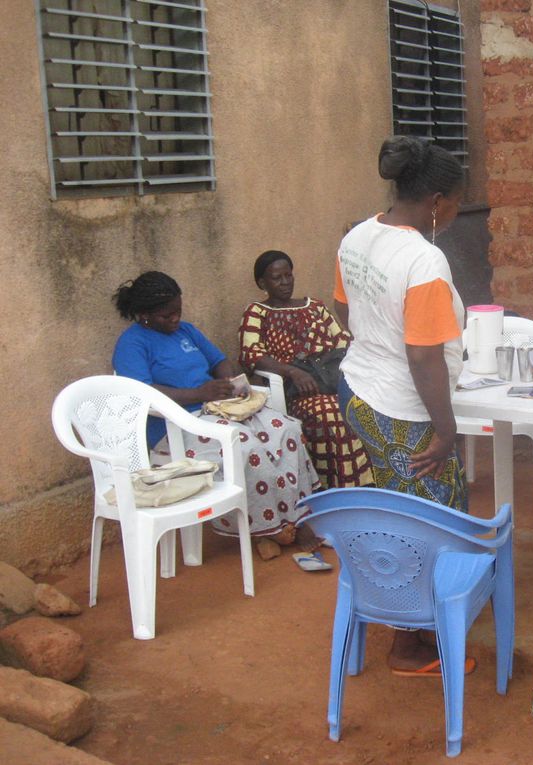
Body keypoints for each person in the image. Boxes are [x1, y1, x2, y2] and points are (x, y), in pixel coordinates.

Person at [333, 135, 469, 675]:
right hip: (403, 409)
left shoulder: (358, 237)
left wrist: (379, 341)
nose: (457, 210)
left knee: (409, 505)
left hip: (359, 391)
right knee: (430, 522)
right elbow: (423, 356)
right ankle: (409, 644)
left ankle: (419, 617)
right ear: (437, 201)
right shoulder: (424, 260)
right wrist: (446, 429)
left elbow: (345, 314)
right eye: (457, 200)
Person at [112, 271, 319, 558]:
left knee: (284, 428)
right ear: (145, 315)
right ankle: (264, 529)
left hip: (216, 408)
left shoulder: (186, 331)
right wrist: (200, 394)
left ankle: (297, 517)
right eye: (166, 316)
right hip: (175, 426)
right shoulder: (133, 343)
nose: (174, 320)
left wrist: (230, 385)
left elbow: (219, 360)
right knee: (246, 445)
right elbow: (140, 393)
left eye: (177, 312)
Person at [238, 250, 373, 490]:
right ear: (262, 283)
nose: (285, 282)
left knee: (365, 407)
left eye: (288, 275)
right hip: (299, 391)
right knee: (332, 415)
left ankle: (370, 485)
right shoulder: (257, 313)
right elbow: (251, 354)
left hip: (333, 380)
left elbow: (343, 340)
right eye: (277, 278)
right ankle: (337, 489)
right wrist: (292, 372)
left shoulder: (315, 307)